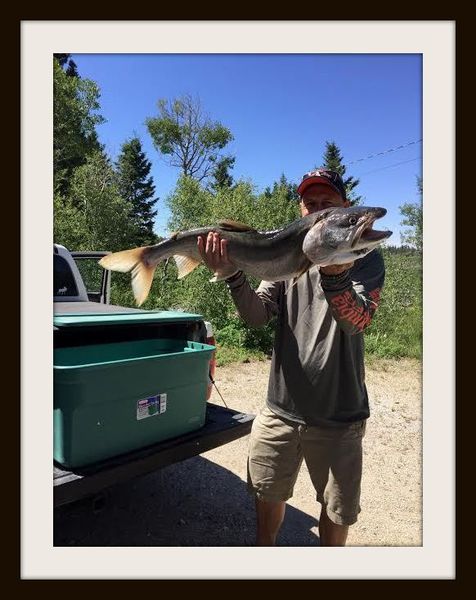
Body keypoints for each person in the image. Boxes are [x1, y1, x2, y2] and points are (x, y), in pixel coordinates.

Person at [197, 168, 385, 546]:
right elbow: (257, 316)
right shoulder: (283, 257)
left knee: (336, 509)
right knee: (267, 494)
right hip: (280, 408)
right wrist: (234, 276)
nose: (316, 208)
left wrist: (335, 276)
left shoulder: (364, 258)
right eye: (309, 203)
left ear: (341, 208)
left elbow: (357, 321)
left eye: (326, 203)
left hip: (338, 413)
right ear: (303, 213)